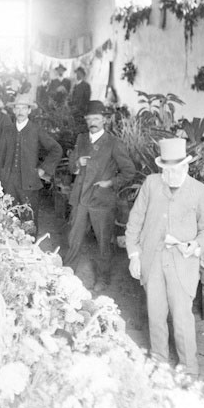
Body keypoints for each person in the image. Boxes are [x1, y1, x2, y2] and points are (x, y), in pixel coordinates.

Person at [125, 138, 204, 377]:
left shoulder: (199, 191)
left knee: (182, 318)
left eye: (175, 170)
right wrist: (134, 255)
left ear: (186, 167)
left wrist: (195, 245)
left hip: (182, 263)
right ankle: (159, 363)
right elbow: (135, 221)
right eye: (165, 170)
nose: (169, 175)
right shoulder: (151, 184)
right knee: (155, 315)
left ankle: (189, 369)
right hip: (152, 260)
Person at [63, 100, 136, 288]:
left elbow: (129, 171)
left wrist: (110, 182)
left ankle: (102, 279)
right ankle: (66, 275)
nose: (92, 122)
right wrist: (78, 162)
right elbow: (71, 167)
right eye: (89, 119)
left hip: (101, 200)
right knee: (73, 239)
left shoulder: (113, 143)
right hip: (81, 199)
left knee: (104, 243)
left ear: (104, 120)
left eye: (96, 118)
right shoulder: (81, 139)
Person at [0, 91, 61, 234]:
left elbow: (56, 150)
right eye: (17, 108)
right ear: (13, 110)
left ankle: (30, 251)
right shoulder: (7, 130)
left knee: (29, 220)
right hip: (9, 182)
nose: (20, 111)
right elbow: (0, 158)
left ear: (29, 110)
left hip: (29, 183)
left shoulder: (36, 130)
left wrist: (43, 170)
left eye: (24, 108)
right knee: (9, 219)